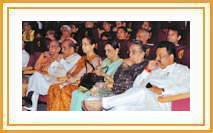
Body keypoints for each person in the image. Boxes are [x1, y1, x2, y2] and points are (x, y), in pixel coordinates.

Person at [83, 41, 190, 111]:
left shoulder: (182, 69)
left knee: (142, 92)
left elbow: (187, 87)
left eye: (160, 55)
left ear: (171, 57)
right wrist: (147, 70)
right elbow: (136, 85)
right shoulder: (155, 70)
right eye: (156, 55)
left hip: (162, 101)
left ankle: (102, 103)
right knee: (120, 109)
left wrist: (162, 90)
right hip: (142, 101)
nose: (157, 58)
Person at [47, 36, 102, 111]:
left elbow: (91, 76)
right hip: (72, 82)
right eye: (82, 44)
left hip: (84, 85)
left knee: (64, 90)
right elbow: (70, 71)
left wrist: (75, 79)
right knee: (53, 88)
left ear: (92, 46)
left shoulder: (96, 59)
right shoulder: (82, 58)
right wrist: (70, 77)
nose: (83, 47)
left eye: (86, 44)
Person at [70, 40, 123, 111]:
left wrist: (103, 74)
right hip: (96, 84)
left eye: (109, 50)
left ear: (116, 50)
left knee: (80, 95)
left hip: (107, 88)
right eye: (105, 50)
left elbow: (115, 82)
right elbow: (96, 73)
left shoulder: (121, 64)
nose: (106, 53)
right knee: (75, 93)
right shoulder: (106, 61)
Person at [23, 40, 63, 110]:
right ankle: (31, 106)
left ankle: (29, 100)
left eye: (53, 46)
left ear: (59, 49)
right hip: (40, 79)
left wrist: (40, 72)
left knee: (36, 75)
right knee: (35, 76)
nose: (50, 48)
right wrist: (42, 55)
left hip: (50, 81)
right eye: (49, 46)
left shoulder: (60, 58)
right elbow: (36, 67)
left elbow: (53, 72)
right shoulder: (46, 58)